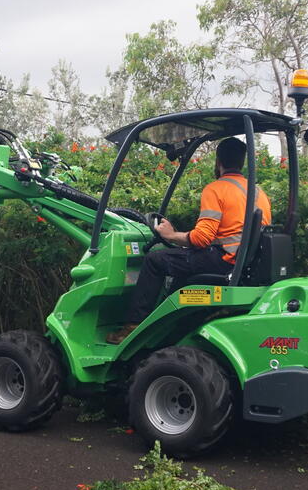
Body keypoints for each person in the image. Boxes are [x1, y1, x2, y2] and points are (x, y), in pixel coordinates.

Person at [106, 136, 272, 344]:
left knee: (155, 260)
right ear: (242, 161)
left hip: (224, 261)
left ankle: (132, 327)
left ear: (218, 162)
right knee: (181, 268)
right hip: (243, 262)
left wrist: (171, 235)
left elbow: (202, 238)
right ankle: (170, 328)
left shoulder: (216, 189)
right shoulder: (259, 193)